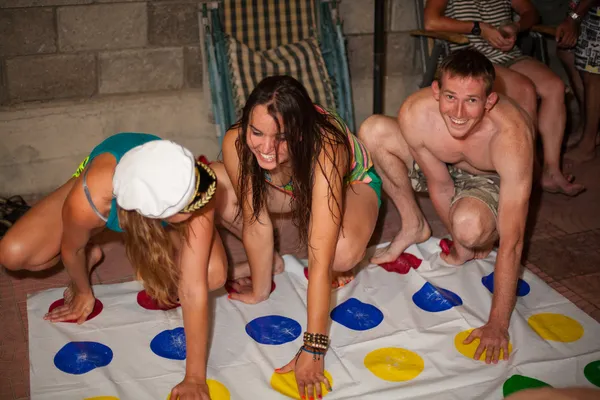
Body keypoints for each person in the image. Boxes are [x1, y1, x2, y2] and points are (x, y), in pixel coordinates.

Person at [0, 133, 227, 400]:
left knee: (213, 275)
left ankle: (162, 235)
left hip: (153, 188)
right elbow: (72, 249)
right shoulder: (88, 199)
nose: (203, 203)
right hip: (107, 180)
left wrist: (194, 378)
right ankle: (94, 246)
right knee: (13, 254)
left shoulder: (195, 183)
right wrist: (83, 291)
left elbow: (192, 288)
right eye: (190, 207)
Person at [359, 49, 534, 364]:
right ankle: (414, 224)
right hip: (444, 165)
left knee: (470, 229)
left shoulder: (512, 137)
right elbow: (440, 184)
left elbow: (514, 239)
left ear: (490, 101)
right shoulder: (415, 112)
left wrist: (497, 323)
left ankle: (473, 229)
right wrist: (456, 246)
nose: (459, 112)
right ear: (436, 91)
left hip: (488, 180)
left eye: (472, 101)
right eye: (451, 97)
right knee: (374, 130)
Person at [217, 75, 382, 399]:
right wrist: (261, 289)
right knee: (217, 188)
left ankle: (355, 231)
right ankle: (270, 261)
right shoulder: (236, 140)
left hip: (351, 184)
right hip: (289, 188)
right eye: (257, 132)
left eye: (282, 138)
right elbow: (255, 220)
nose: (267, 148)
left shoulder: (327, 147)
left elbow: (318, 260)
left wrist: (314, 347)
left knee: (338, 254)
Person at [424, 0, 585, 195]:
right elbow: (431, 22)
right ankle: (528, 171)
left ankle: (551, 170)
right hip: (473, 62)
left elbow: (530, 12)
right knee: (524, 90)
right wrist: (478, 29)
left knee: (554, 87)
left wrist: (516, 26)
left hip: (509, 56)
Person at [557, 0, 600, 162]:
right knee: (566, 51)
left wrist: (574, 18)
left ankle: (588, 144)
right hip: (581, 7)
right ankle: (588, 126)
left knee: (593, 71)